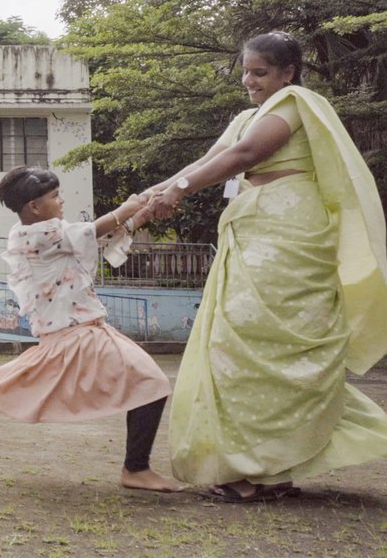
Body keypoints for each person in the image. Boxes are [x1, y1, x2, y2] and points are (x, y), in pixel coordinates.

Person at [144, 31, 387, 503]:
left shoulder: (296, 103)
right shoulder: (245, 117)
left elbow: (245, 156)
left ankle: (259, 473)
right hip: (253, 226)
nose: (249, 80)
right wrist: (152, 194)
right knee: (235, 345)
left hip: (289, 231)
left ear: (287, 73)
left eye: (260, 72)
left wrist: (178, 192)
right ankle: (258, 470)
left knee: (265, 345)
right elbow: (212, 158)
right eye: (246, 71)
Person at [0, 166, 181, 493]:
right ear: (35, 207)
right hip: (76, 333)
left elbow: (101, 237)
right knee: (152, 382)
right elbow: (93, 230)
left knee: (149, 383)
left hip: (85, 329)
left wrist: (142, 213)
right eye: (55, 196)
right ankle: (135, 469)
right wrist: (129, 206)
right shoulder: (29, 234)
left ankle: (136, 467)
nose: (61, 200)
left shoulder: (52, 231)